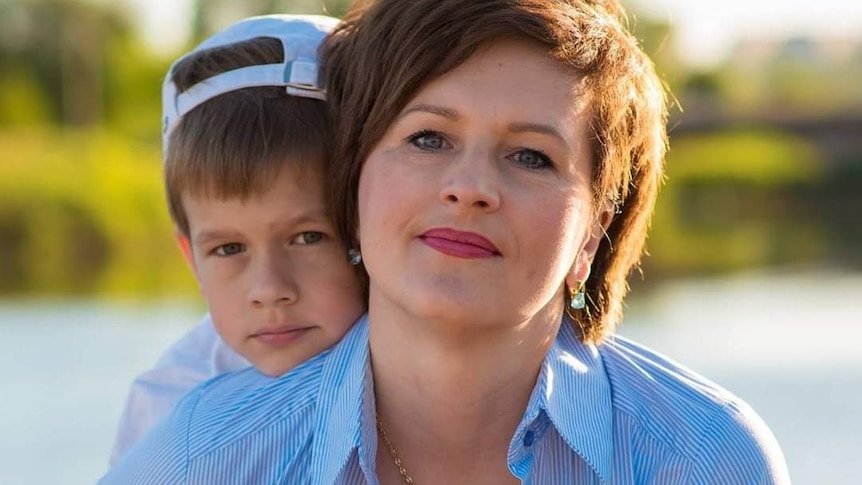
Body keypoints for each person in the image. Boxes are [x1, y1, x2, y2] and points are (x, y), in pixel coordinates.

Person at [101, 1, 791, 483]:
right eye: (428, 138)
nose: (469, 188)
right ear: (354, 182)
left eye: (531, 156)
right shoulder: (202, 459)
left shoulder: (704, 459)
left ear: (594, 232)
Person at [107, 14, 365, 466]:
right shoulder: (167, 417)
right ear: (191, 260)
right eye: (228, 249)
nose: (269, 289)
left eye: (308, 237)